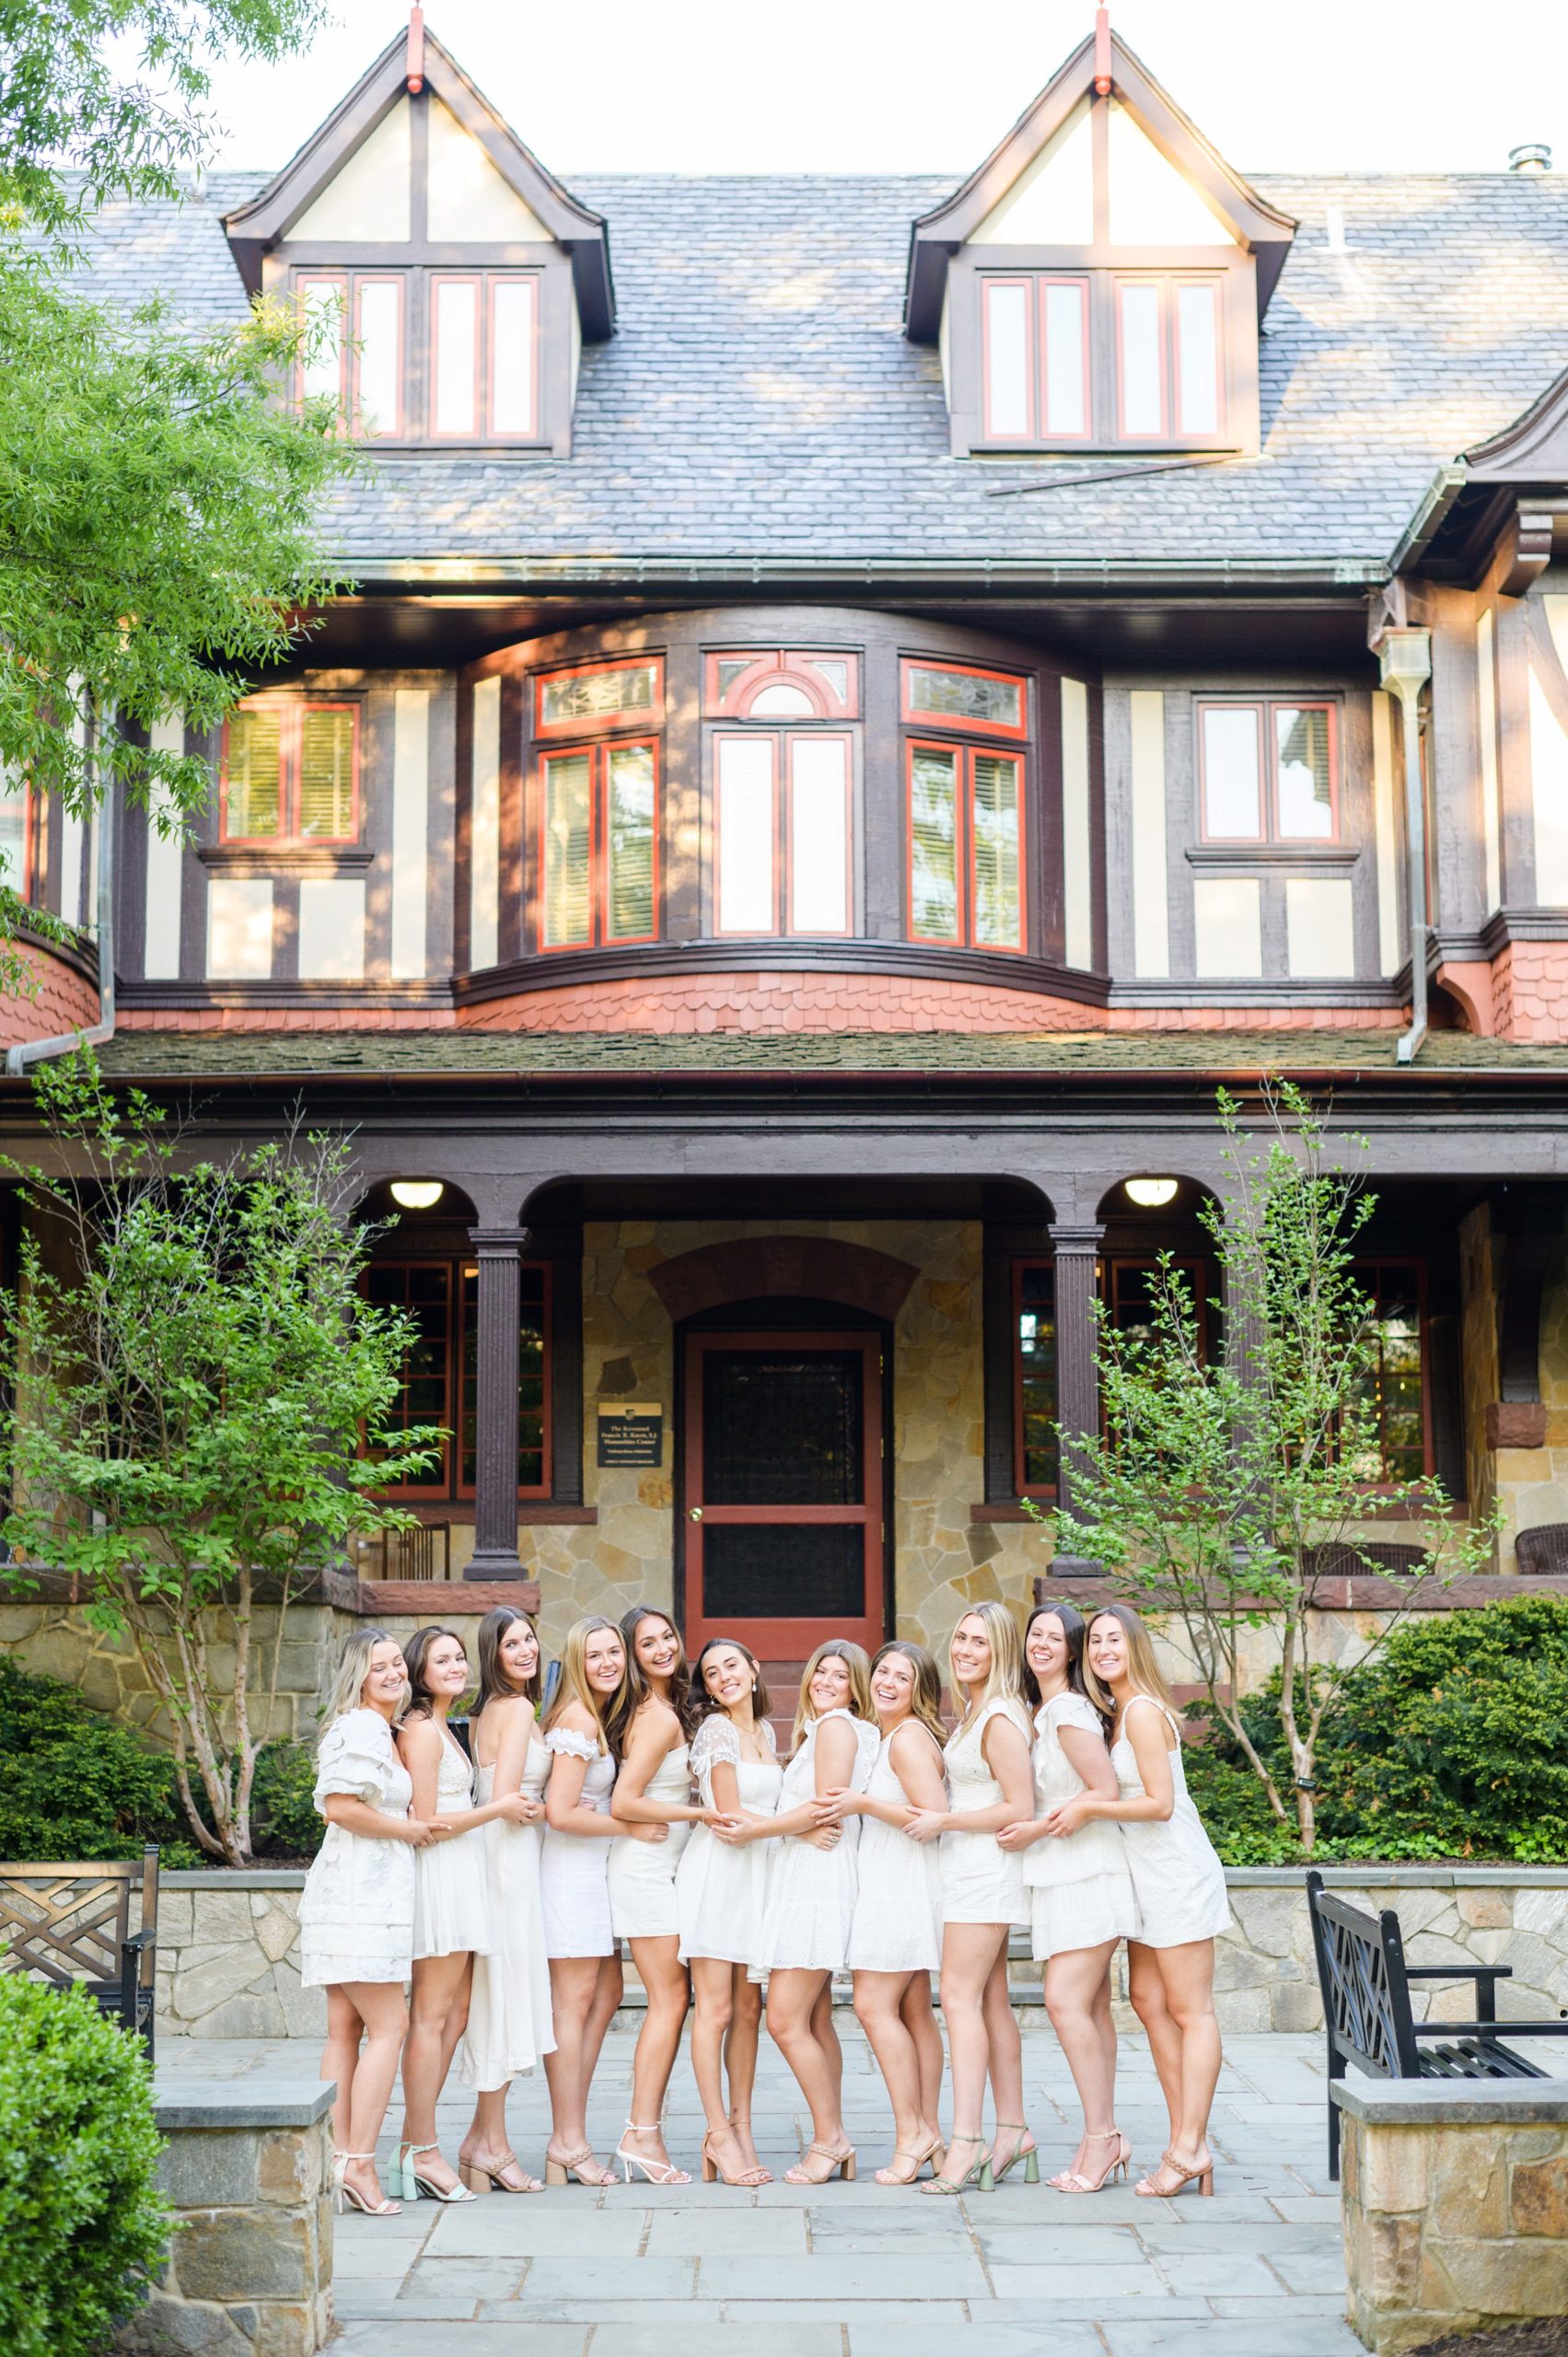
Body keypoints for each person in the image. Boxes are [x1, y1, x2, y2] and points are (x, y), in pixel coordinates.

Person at [1049, 1603, 1230, 2200]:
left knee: (1189, 2010)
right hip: (1141, 1881)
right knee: (1147, 2002)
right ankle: (1185, 2137)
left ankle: (1189, 2147)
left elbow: (1157, 1804)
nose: (1103, 1650)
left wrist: (1086, 1807)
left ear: (1134, 1647)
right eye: (1094, 1641)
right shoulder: (1115, 1712)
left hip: (1174, 1873)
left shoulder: (1146, 1712)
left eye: (1113, 1640)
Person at [391, 1624, 537, 2203]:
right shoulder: (424, 1730)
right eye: (440, 1660)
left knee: (455, 2013)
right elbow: (427, 1824)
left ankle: (416, 2145)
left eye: (457, 1656)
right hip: (442, 1877)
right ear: (420, 1673)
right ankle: (419, 2150)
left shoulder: (449, 1725)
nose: (453, 1666)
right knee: (430, 2017)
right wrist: (499, 1806)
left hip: (462, 1875)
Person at [299, 1629, 442, 2218]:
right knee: (391, 2026)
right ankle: (359, 2163)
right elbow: (340, 1807)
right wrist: (408, 1829)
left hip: (351, 1891)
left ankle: (336, 2163)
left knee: (345, 2030)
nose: (392, 1675)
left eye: (396, 1666)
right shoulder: (361, 1727)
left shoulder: (374, 1728)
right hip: (361, 1897)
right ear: (358, 1675)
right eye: (378, 1666)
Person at [998, 1600, 1137, 2193]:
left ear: (1072, 1650)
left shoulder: (1069, 1710)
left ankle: (1103, 2138)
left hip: (1088, 1872)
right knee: (1092, 2007)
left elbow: (1102, 1789)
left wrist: (1035, 1826)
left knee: (1063, 2001)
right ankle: (1099, 2136)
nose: (1042, 1644)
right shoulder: (1042, 1709)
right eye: (1035, 1634)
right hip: (1062, 1873)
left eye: (1055, 1637)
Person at [907, 1602, 1035, 2197]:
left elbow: (1019, 1807)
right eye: (959, 1637)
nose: (963, 1650)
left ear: (1000, 1651)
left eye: (979, 1642)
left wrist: (944, 1820)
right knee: (988, 2002)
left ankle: (966, 2142)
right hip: (972, 1868)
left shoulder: (1001, 1717)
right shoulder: (975, 1711)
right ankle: (1012, 2130)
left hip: (983, 1872)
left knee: (957, 1997)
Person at [609, 1606, 732, 2184]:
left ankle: (643, 2130)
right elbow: (624, 1802)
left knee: (672, 2000)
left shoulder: (664, 1708)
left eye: (667, 1638)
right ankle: (641, 2133)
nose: (661, 1649)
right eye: (647, 1643)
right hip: (645, 1869)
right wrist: (699, 1811)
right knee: (668, 2000)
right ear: (633, 1655)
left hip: (665, 1865)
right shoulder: (655, 1717)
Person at [752, 1640, 879, 2187]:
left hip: (816, 1880)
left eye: (840, 1675)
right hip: (809, 1872)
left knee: (782, 2018)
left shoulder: (834, 1728)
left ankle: (830, 2140)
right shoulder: (826, 1727)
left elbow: (829, 1804)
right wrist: (798, 1825)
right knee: (814, 2018)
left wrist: (757, 1828)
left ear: (857, 1686)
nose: (826, 1681)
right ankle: (835, 2136)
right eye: (820, 1671)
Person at [834, 1640, 948, 2184]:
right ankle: (930, 2132)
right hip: (892, 1879)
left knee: (872, 2005)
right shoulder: (888, 1736)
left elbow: (934, 1816)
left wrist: (862, 1803)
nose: (886, 1682)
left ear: (918, 1689)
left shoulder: (905, 1740)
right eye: (882, 1670)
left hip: (899, 1885)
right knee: (912, 2010)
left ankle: (913, 2134)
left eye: (902, 1677)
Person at [676, 1636, 783, 2187]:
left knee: (748, 2011)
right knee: (714, 2010)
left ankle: (743, 2127)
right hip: (721, 1874)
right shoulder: (716, 1730)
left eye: (732, 1666)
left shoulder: (764, 1731)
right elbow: (734, 1821)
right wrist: (803, 1824)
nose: (723, 1677)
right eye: (712, 1673)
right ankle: (717, 2132)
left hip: (758, 1878)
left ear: (754, 1668)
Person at [457, 1605, 554, 2193]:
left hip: (500, 1855)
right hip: (507, 1863)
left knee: (502, 1997)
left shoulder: (494, 1708)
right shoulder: (516, 1708)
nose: (524, 1651)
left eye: (529, 1640)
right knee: (504, 2000)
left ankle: (480, 2138)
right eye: (510, 1644)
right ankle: (490, 2145)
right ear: (492, 1655)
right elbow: (513, 1798)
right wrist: (563, 1809)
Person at [539, 1614, 638, 2187]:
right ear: (578, 1660)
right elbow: (562, 1812)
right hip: (569, 1876)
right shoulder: (577, 1718)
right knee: (573, 2004)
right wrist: (629, 1828)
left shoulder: (599, 1718)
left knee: (607, 1991)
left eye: (614, 1653)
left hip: (592, 1874)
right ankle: (567, 2140)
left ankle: (569, 2131)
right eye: (596, 1654)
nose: (608, 1663)